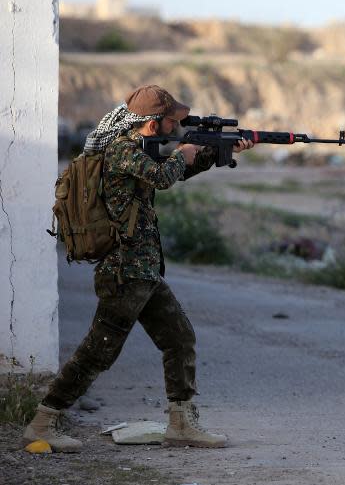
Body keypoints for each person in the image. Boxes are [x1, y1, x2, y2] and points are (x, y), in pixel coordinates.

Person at [23, 85, 254, 452]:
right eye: (170, 119)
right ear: (152, 123)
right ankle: (43, 421)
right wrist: (183, 153)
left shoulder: (139, 153)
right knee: (98, 351)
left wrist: (215, 153)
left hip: (143, 272)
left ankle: (181, 424)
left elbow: (170, 173)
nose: (175, 125)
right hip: (125, 273)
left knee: (179, 338)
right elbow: (164, 175)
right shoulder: (121, 151)